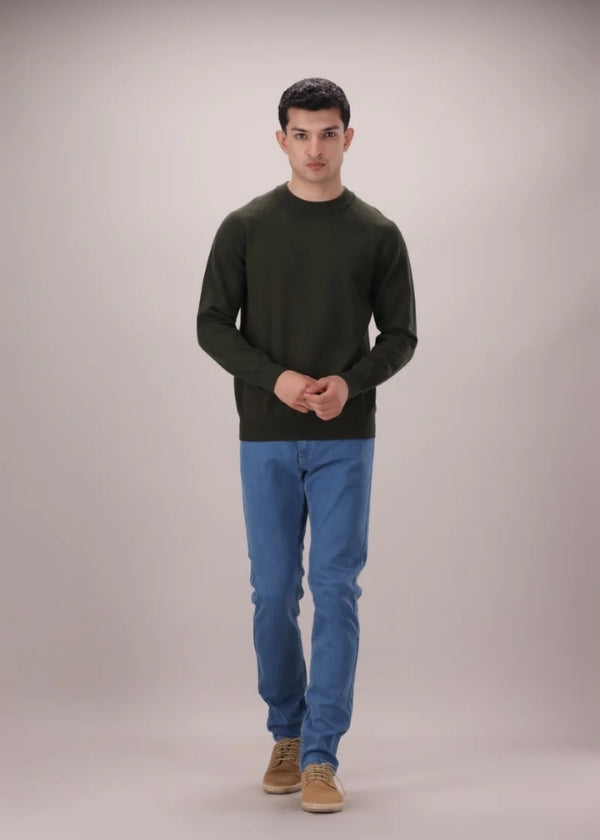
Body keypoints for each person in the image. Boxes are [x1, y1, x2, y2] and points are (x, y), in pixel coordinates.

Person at [196, 77, 417, 813]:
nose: (314, 148)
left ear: (347, 138)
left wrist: (350, 383)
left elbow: (401, 334)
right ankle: (285, 733)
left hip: (344, 439)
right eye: (301, 133)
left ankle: (321, 755)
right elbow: (212, 323)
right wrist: (277, 378)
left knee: (335, 589)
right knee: (272, 593)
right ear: (281, 138)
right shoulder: (246, 227)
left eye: (327, 134)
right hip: (265, 435)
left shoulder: (377, 234)